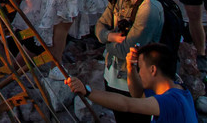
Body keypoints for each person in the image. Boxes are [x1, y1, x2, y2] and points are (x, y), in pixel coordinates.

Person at [96, 0, 167, 123]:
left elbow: (127, 50)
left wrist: (105, 40)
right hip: (112, 78)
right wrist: (111, 37)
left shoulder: (148, 7)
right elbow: (98, 28)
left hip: (135, 85)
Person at [64, 44, 198, 123]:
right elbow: (137, 94)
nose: (140, 73)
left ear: (152, 70)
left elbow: (127, 104)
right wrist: (130, 67)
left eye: (140, 68)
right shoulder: (180, 90)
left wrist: (87, 92)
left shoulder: (169, 101)